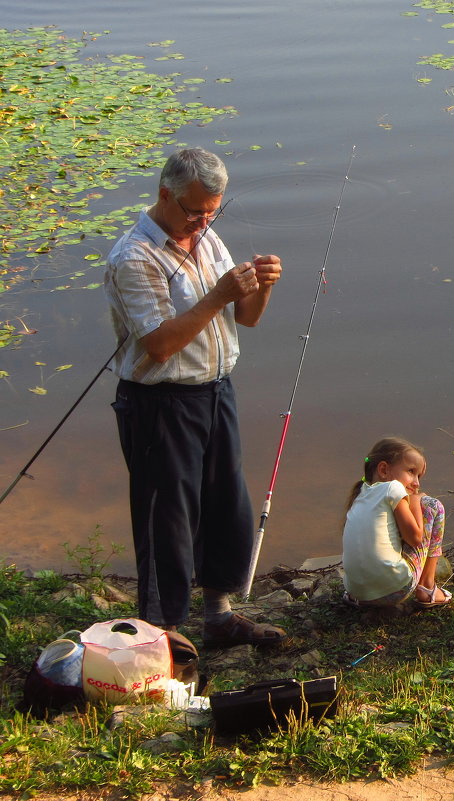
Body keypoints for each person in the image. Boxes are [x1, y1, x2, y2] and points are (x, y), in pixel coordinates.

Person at [104, 147, 287, 647]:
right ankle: (161, 633)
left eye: (213, 211)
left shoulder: (206, 236)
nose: (203, 221)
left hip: (215, 392)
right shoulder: (134, 256)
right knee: (168, 516)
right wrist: (219, 295)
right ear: (166, 195)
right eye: (194, 211)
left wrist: (261, 287)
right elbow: (160, 344)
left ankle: (219, 616)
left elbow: (245, 318)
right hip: (159, 405)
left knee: (226, 503)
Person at [342, 437, 452, 608]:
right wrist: (415, 501)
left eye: (419, 476)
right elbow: (415, 538)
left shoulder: (360, 496)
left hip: (358, 594)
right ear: (384, 469)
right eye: (411, 471)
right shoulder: (393, 487)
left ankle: (365, 590)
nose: (416, 483)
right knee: (432, 505)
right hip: (395, 589)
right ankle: (427, 587)